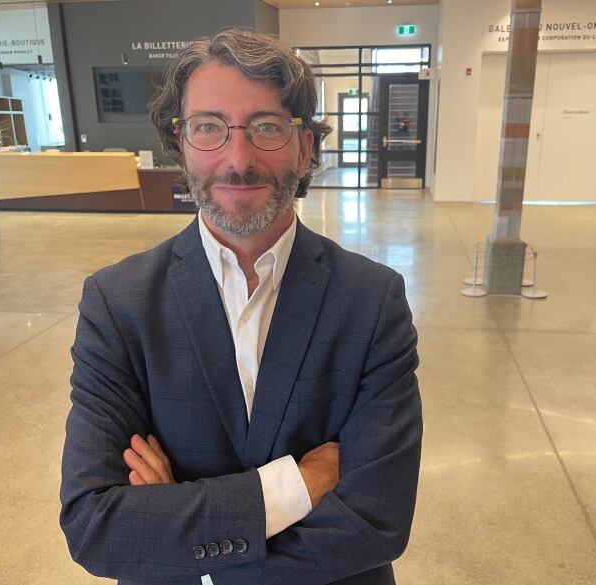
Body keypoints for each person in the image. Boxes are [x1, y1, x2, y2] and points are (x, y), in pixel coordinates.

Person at [60, 28, 422, 585]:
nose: (237, 158)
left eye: (267, 127)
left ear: (305, 148)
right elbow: (97, 525)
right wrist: (298, 485)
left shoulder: (372, 300)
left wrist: (184, 540)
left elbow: (377, 521)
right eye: (208, 127)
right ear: (180, 144)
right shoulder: (119, 303)